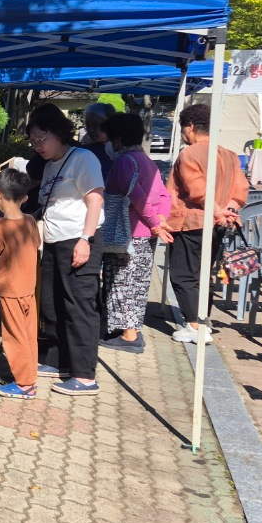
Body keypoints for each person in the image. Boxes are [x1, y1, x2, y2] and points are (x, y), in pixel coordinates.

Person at [28, 102, 105, 397]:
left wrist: (86, 239)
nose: (38, 145)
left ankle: (84, 376)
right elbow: (47, 205)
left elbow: (95, 199)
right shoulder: (50, 165)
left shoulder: (82, 158)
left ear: (59, 133)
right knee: (52, 303)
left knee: (78, 306)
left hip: (78, 240)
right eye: (33, 141)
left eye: (42, 138)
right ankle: (58, 360)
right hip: (53, 242)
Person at [163, 102, 248, 342]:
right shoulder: (229, 154)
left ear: (190, 127)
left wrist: (218, 211)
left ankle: (194, 325)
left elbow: (198, 190)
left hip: (192, 221)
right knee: (203, 275)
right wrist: (228, 210)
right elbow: (240, 189)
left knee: (183, 274)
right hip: (219, 224)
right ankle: (202, 321)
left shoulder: (189, 154)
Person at [99, 113, 172, 353]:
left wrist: (155, 223)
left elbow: (137, 197)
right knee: (139, 282)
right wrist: (160, 220)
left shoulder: (124, 161)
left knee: (122, 282)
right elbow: (164, 195)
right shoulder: (147, 160)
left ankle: (128, 335)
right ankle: (134, 330)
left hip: (126, 233)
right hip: (146, 234)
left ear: (118, 139)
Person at [0, 168, 43, 401]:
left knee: (13, 336)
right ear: (25, 197)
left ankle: (24, 384)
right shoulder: (30, 220)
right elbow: (36, 243)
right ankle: (29, 375)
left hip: (10, 289)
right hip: (28, 287)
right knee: (28, 334)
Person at [80, 102, 116, 176]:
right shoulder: (85, 152)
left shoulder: (123, 150)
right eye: (88, 125)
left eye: (95, 125)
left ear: (109, 124)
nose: (90, 130)